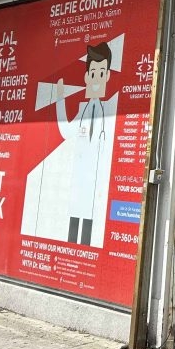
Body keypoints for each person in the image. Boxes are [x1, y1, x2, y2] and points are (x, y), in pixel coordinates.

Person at [56, 41, 115, 246]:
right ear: (86, 77)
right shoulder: (82, 110)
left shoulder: (109, 112)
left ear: (107, 76)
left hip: (97, 184)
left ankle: (85, 250)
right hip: (79, 180)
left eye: (101, 73)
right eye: (93, 73)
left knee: (89, 224)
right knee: (74, 221)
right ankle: (73, 249)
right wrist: (60, 100)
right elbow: (66, 132)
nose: (96, 79)